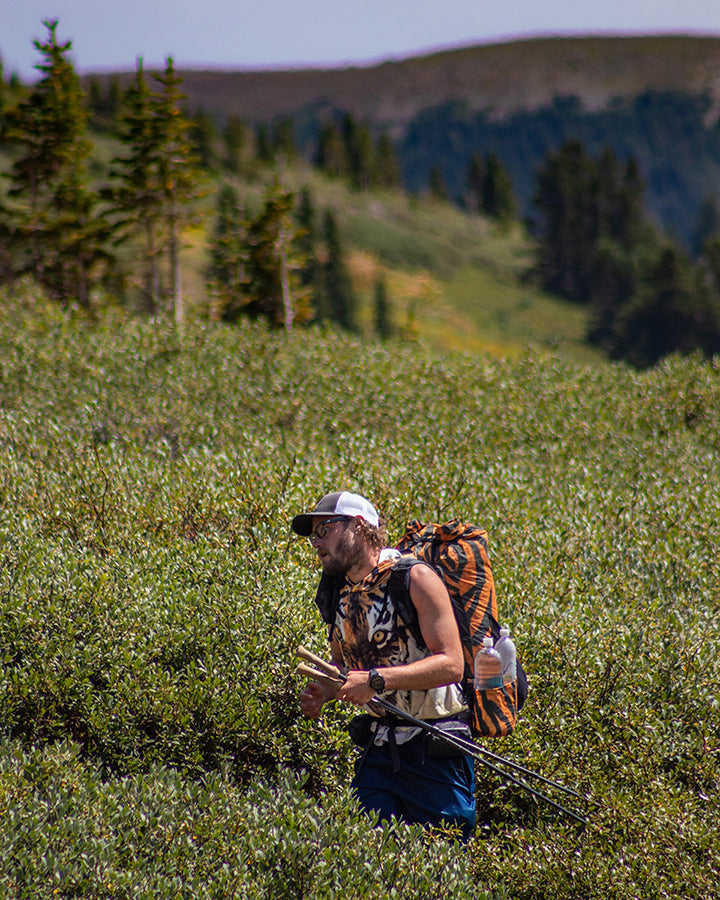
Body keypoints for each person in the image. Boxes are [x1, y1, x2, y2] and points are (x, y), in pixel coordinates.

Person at [292, 491, 476, 839]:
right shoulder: (336, 592)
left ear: (359, 527)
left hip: (436, 750)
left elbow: (452, 666)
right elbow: (343, 666)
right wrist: (327, 689)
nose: (316, 542)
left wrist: (375, 681)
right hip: (379, 751)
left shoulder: (415, 578)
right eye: (313, 535)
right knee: (365, 857)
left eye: (324, 530)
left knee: (440, 867)